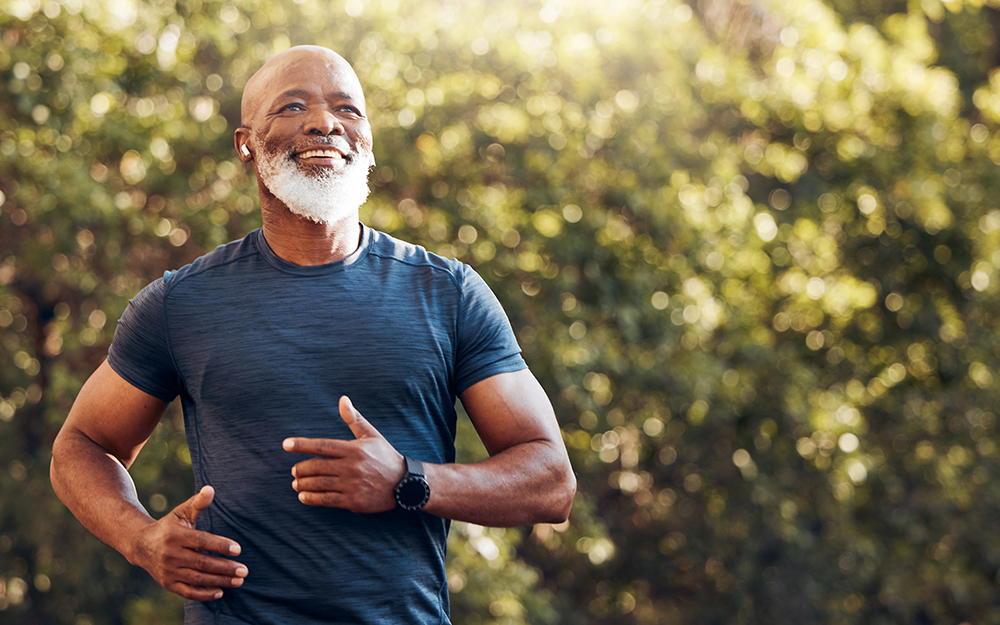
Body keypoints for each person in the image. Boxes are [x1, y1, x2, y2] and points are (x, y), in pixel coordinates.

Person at [50, 45, 576, 625]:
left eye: (347, 109)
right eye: (293, 105)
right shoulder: (181, 303)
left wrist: (408, 481)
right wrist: (140, 540)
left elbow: (551, 482)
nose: (325, 122)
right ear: (245, 142)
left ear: (367, 139)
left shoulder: (447, 293)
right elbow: (82, 445)